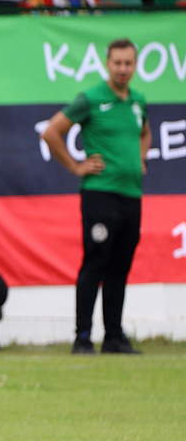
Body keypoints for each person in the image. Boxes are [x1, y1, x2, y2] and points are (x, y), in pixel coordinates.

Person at [40, 38, 149, 355]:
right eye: (117, 63)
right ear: (107, 63)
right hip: (100, 194)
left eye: (128, 63)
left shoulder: (138, 100)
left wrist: (139, 158)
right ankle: (83, 337)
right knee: (95, 262)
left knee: (121, 266)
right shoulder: (91, 98)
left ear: (136, 64)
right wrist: (75, 166)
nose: (123, 69)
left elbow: (145, 132)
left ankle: (114, 336)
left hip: (131, 194)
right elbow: (51, 132)